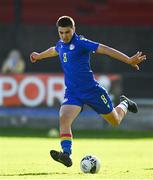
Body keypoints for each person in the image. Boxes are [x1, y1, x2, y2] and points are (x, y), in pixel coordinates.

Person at [30, 16, 146, 167]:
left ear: (74, 29)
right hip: (73, 93)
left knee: (115, 121)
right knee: (64, 118)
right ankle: (66, 154)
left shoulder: (81, 43)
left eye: (67, 32)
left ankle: (124, 103)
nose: (64, 36)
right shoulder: (60, 44)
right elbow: (54, 50)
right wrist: (39, 56)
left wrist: (129, 60)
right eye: (61, 33)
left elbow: (105, 50)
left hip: (93, 91)